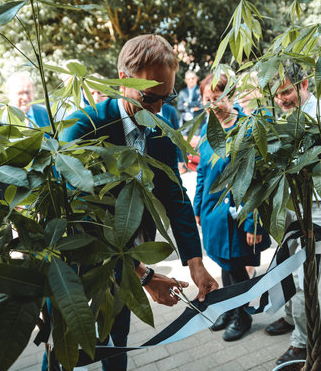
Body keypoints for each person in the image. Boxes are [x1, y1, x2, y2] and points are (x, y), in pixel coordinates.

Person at [61, 34, 218, 371]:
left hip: (129, 258)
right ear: (122, 82)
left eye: (168, 97)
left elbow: (175, 195)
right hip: (77, 269)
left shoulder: (161, 127)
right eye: (150, 98)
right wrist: (144, 277)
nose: (160, 109)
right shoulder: (83, 128)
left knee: (118, 344)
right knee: (65, 353)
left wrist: (195, 261)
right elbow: (80, 220)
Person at [264, 62, 321, 365]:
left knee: (306, 283)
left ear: (304, 85)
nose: (282, 100)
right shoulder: (288, 119)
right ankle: (291, 320)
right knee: (284, 271)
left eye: (286, 92)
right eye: (276, 96)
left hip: (317, 217)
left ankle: (302, 344)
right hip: (293, 213)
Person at [194, 73, 271, 342]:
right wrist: (196, 207)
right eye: (207, 100)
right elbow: (202, 173)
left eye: (218, 98)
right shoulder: (207, 129)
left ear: (232, 96)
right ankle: (229, 309)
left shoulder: (248, 127)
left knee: (237, 269)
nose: (213, 105)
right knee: (224, 264)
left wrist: (254, 222)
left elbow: (257, 179)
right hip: (213, 214)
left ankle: (243, 315)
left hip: (240, 216)